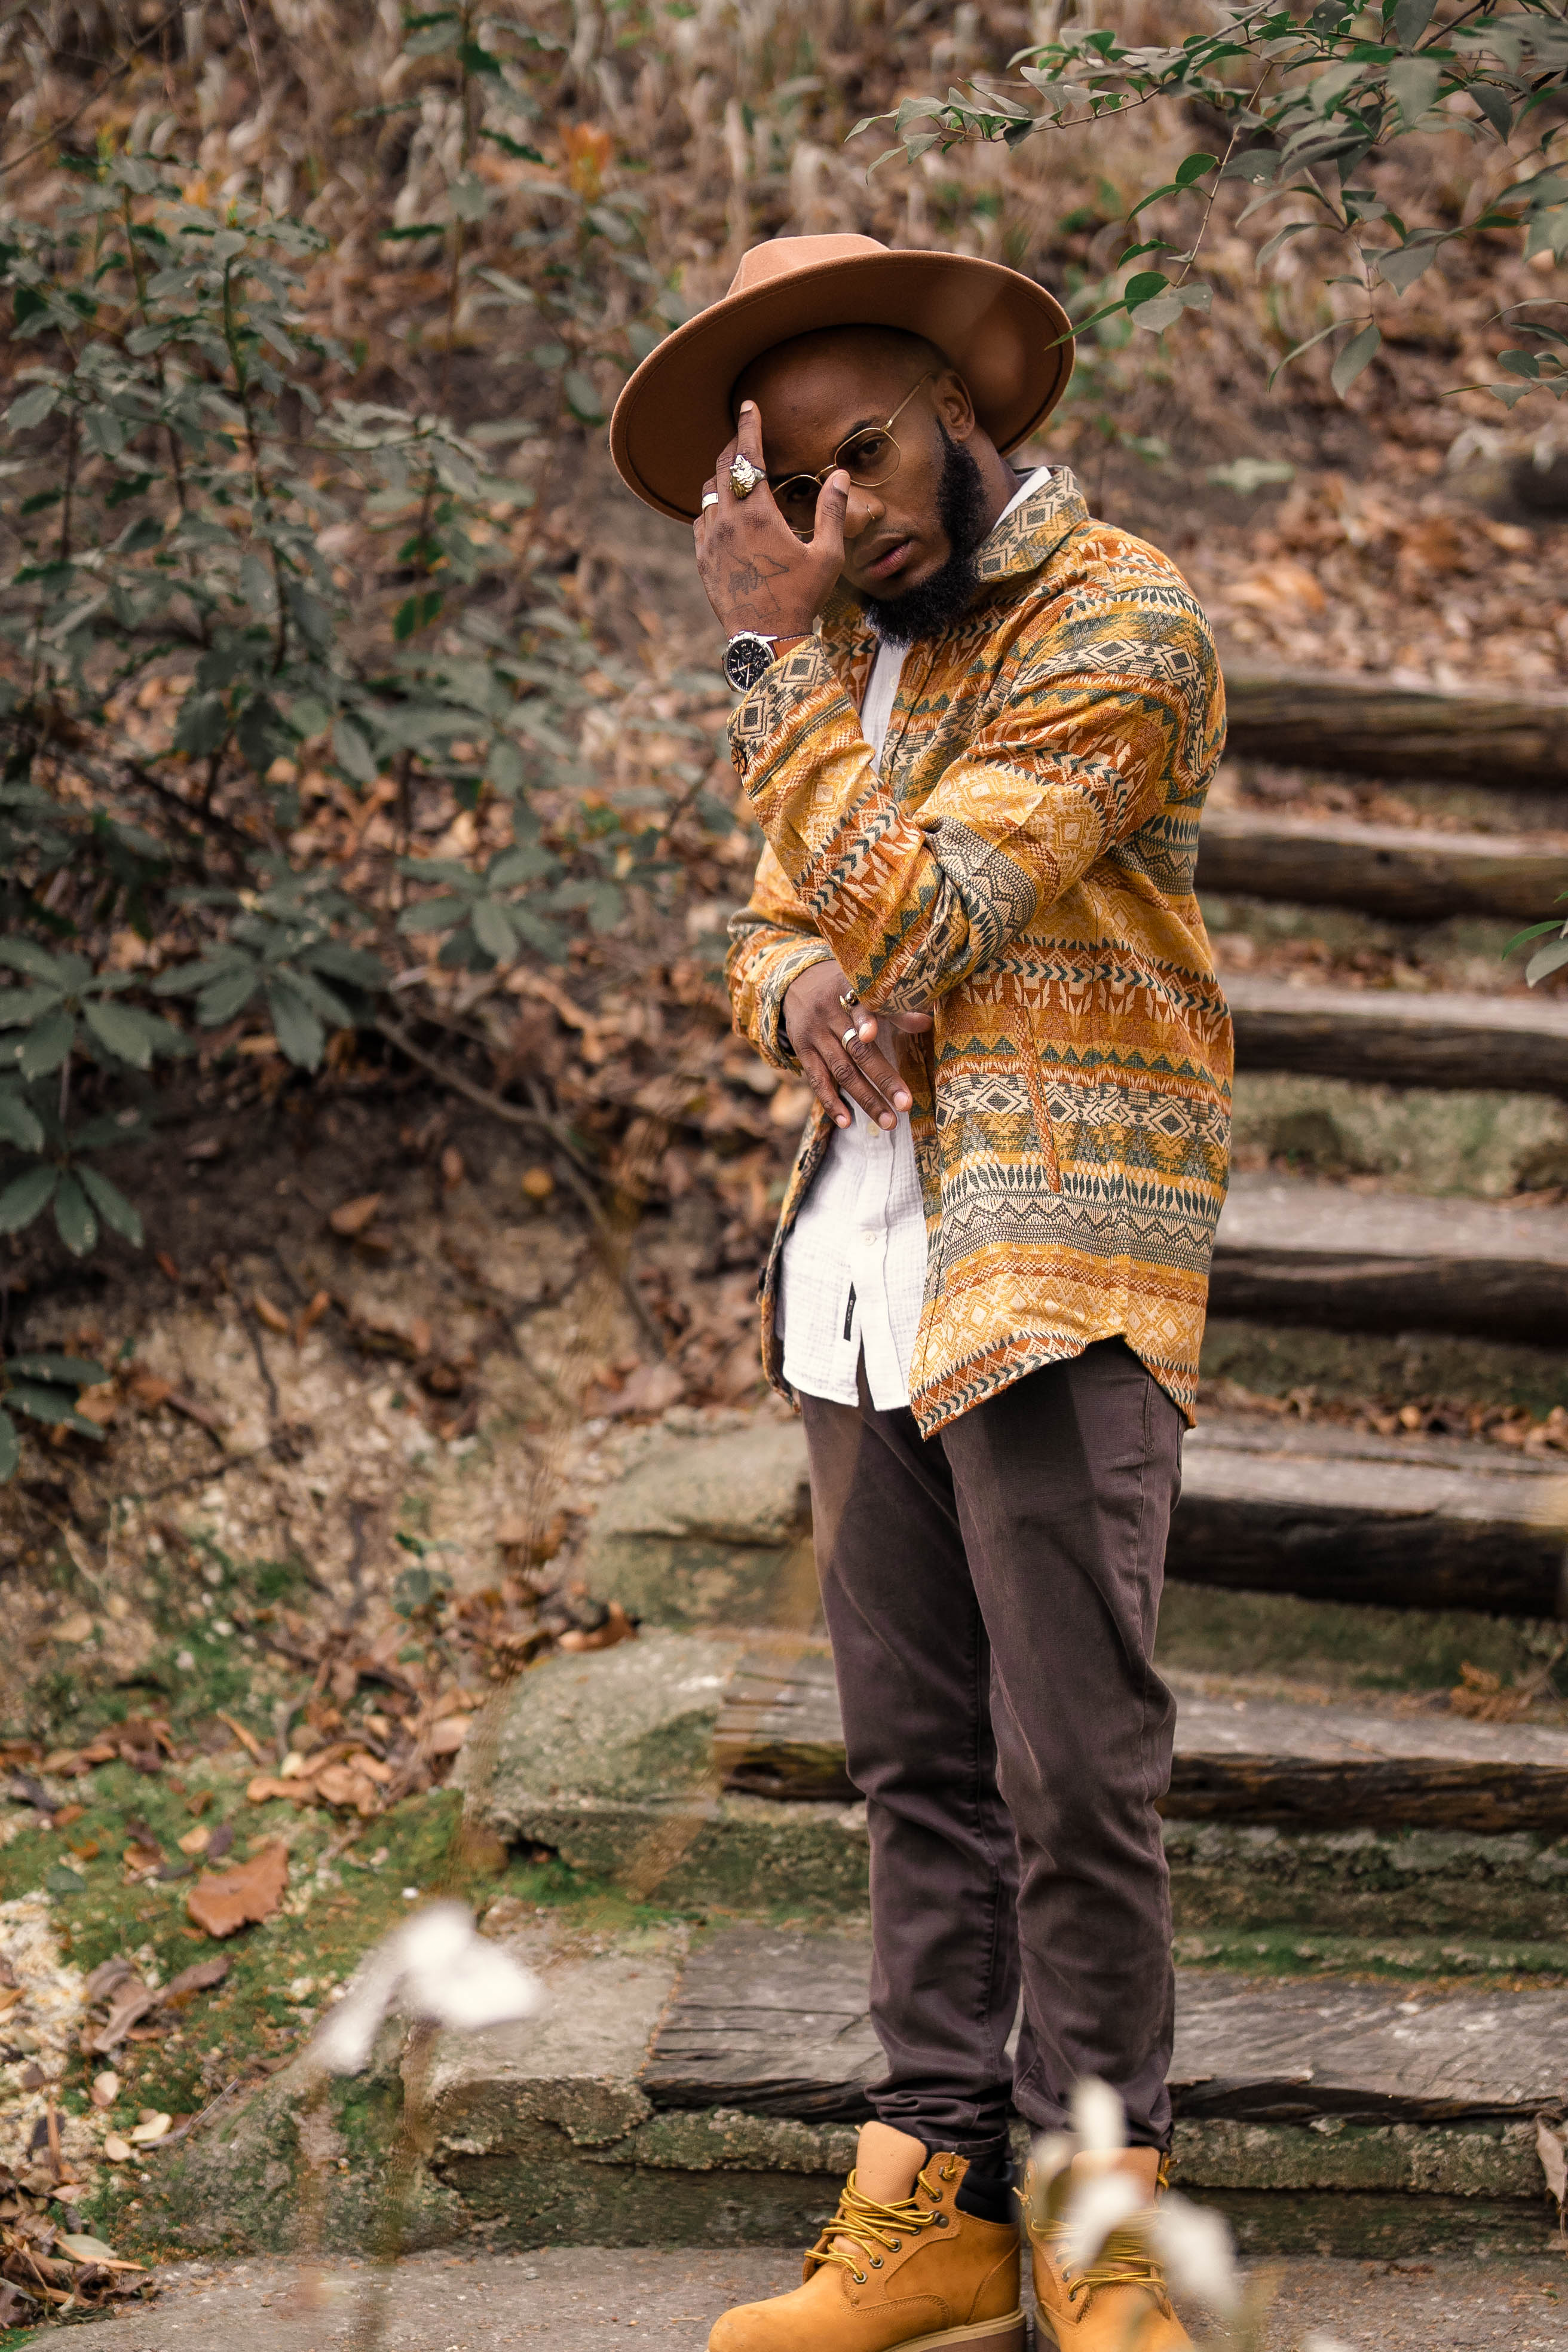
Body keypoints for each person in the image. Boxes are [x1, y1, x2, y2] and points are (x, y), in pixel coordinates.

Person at [610, 232, 1231, 2352]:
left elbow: (940, 906)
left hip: (1051, 1257)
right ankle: (934, 2202)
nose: (842, 514)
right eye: (792, 488)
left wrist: (775, 669)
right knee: (917, 1770)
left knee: (1079, 1768)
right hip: (857, 1269)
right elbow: (784, 925)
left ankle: (1101, 2207)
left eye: (860, 455)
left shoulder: (1120, 616)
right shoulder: (853, 655)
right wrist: (784, 982)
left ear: (960, 403)